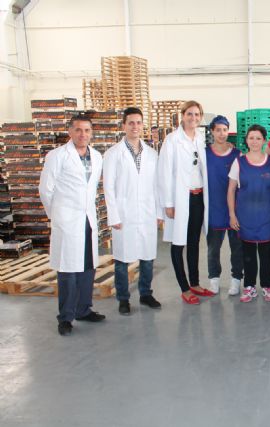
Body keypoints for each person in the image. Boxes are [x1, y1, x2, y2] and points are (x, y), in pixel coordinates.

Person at [39, 114, 105, 336]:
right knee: (68, 270)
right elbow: (45, 189)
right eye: (78, 130)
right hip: (67, 220)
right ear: (70, 132)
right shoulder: (57, 156)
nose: (82, 134)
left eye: (87, 130)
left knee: (88, 266)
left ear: (91, 133)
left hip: (88, 219)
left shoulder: (96, 156)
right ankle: (66, 317)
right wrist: (56, 215)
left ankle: (83, 309)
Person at [103, 107, 163, 315]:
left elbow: (157, 186)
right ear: (124, 125)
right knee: (122, 259)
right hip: (124, 213)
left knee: (148, 256)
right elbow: (108, 187)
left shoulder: (152, 154)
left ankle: (145, 294)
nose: (135, 126)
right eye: (131, 123)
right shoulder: (113, 154)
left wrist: (158, 213)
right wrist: (113, 215)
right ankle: (123, 298)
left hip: (147, 212)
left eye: (138, 123)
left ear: (142, 125)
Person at [157, 100, 211, 305]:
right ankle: (184, 288)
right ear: (183, 116)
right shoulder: (172, 140)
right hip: (180, 198)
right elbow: (164, 173)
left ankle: (195, 283)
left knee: (194, 241)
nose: (193, 118)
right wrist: (168, 203)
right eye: (190, 114)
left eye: (197, 114)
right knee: (178, 242)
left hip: (198, 197)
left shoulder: (200, 139)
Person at [228, 124, 270, 303]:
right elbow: (231, 189)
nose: (254, 141)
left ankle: (267, 285)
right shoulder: (239, 162)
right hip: (245, 216)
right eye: (251, 138)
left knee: (266, 254)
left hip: (267, 215)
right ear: (246, 140)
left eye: (258, 138)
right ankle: (249, 287)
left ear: (264, 141)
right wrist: (232, 214)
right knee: (247, 254)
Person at [205, 115, 244, 296]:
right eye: (218, 130)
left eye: (225, 130)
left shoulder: (237, 155)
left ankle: (236, 280)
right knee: (213, 249)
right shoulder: (205, 154)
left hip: (234, 209)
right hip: (213, 208)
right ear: (212, 131)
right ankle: (214, 279)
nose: (222, 133)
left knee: (237, 248)